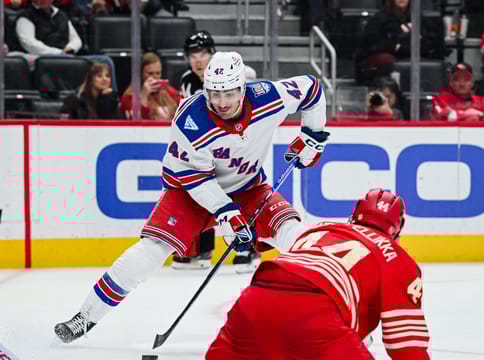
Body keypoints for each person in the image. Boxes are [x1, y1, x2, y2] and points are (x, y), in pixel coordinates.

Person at [66, 189, 475, 360]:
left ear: (354, 216)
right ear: (397, 228)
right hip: (313, 315)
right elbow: (405, 342)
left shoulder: (318, 231)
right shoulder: (398, 260)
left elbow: (280, 324)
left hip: (256, 299)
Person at [54, 51, 329, 345]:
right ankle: (86, 316)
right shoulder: (190, 119)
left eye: (230, 93)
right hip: (189, 192)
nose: (222, 102)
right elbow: (195, 177)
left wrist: (312, 136)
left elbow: (312, 88)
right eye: (215, 94)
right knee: (151, 251)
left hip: (248, 188)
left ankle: (335, 311)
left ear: (243, 88)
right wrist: (227, 213)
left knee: (293, 232)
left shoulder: (268, 97)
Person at [175, 30, 258, 271]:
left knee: (241, 192)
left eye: (202, 54)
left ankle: (248, 250)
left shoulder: (241, 73)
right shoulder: (188, 80)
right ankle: (203, 248)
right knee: (202, 193)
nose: (197, 61)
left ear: (212, 54)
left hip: (238, 144)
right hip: (208, 147)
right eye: (192, 56)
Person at [355, 0, 445, 85]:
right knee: (388, 60)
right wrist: (396, 46)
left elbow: (427, 40)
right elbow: (372, 44)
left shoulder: (418, 17)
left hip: (409, 53)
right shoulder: (380, 18)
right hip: (386, 54)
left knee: (430, 61)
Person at [120, 52, 181, 121]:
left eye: (158, 73)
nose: (155, 77)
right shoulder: (129, 96)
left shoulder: (171, 93)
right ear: (141, 74)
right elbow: (135, 121)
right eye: (150, 73)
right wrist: (144, 96)